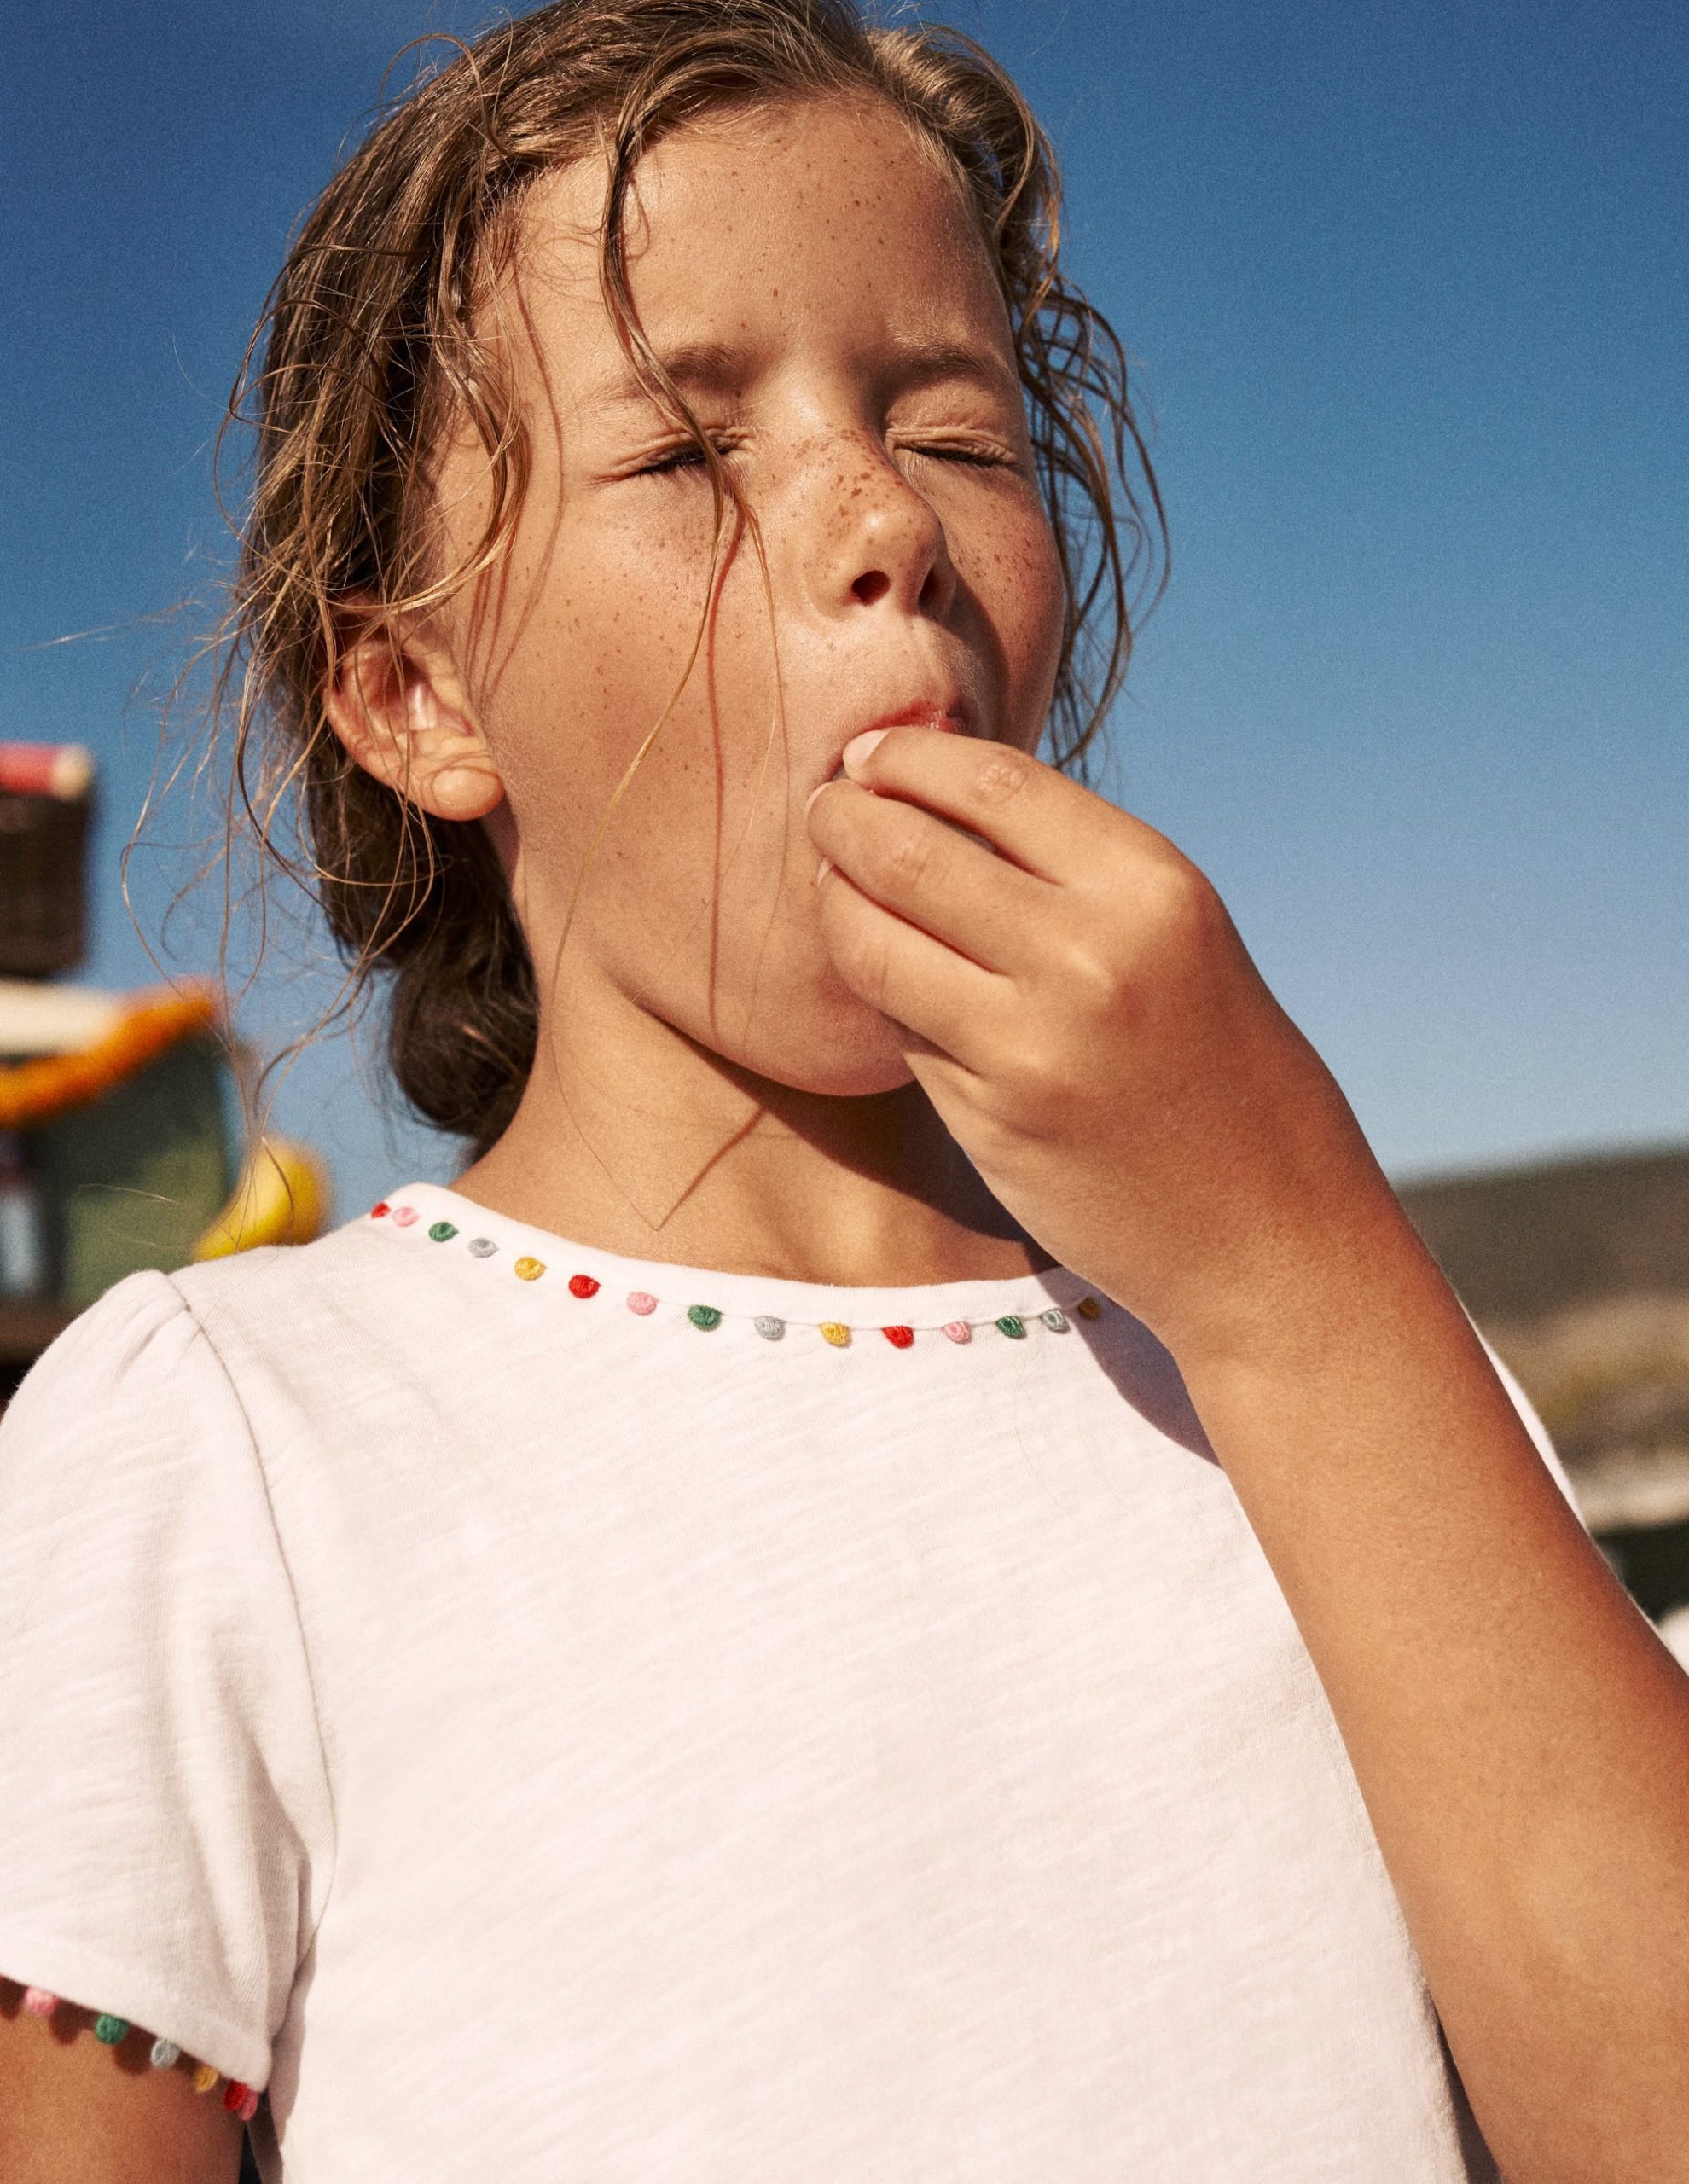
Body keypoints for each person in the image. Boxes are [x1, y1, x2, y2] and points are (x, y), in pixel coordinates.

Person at [2, 3, 1686, 2179]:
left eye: (963, 435)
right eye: (689, 451)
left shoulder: (1338, 1375)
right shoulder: (214, 1443)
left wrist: (1294, 1257)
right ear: (415, 694)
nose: (882, 518)